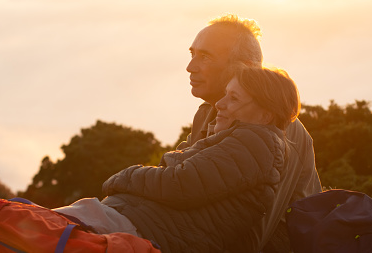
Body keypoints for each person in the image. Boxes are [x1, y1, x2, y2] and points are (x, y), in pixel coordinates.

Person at [99, 65, 302, 252]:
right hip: (143, 227)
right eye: (225, 95)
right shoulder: (248, 142)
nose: (220, 104)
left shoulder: (255, 141)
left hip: (146, 231)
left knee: (69, 229)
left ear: (265, 116)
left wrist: (123, 177)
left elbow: (178, 183)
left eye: (234, 98)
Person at [180, 14, 322, 252]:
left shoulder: (281, 130)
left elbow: (254, 236)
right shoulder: (208, 113)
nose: (190, 67)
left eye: (205, 57)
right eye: (192, 54)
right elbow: (176, 173)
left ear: (244, 67)